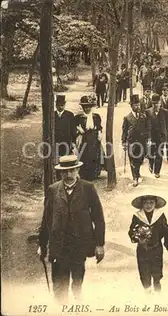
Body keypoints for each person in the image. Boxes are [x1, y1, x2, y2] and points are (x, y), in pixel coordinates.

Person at [37, 155, 105, 303]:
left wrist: (100, 244)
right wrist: (42, 245)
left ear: (77, 170)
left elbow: (98, 218)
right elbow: (46, 220)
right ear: (60, 173)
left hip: (79, 245)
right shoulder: (53, 190)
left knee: (77, 282)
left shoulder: (88, 188)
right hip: (59, 245)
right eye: (64, 172)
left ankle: (77, 307)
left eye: (71, 171)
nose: (68, 175)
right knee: (59, 287)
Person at [128, 194, 168, 294]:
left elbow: (166, 232)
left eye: (151, 203)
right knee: (144, 273)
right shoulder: (137, 216)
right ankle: (148, 295)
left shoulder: (160, 216)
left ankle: (158, 294)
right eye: (145, 203)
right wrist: (136, 237)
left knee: (157, 274)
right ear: (142, 204)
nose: (148, 205)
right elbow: (131, 231)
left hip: (156, 249)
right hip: (142, 250)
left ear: (155, 204)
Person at [122, 94, 151, 187]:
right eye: (135, 105)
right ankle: (135, 177)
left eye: (138, 105)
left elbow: (147, 128)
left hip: (142, 142)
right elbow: (124, 131)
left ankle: (137, 173)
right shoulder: (127, 118)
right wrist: (124, 142)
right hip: (132, 142)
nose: (137, 107)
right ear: (131, 106)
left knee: (140, 159)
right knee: (133, 160)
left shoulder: (143, 116)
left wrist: (148, 139)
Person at [74, 95, 105, 181]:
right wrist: (78, 130)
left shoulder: (96, 117)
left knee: (95, 155)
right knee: (84, 155)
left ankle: (94, 173)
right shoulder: (78, 117)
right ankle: (84, 173)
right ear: (82, 107)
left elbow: (99, 127)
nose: (87, 109)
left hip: (94, 138)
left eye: (89, 107)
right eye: (85, 107)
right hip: (84, 138)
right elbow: (74, 127)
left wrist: (99, 132)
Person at [145, 94, 168, 178]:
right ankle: (151, 164)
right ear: (151, 103)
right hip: (151, 136)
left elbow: (167, 125)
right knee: (151, 152)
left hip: (161, 136)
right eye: (154, 103)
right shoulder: (148, 112)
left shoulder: (164, 112)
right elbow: (146, 126)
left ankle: (157, 171)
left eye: (157, 103)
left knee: (159, 153)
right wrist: (148, 138)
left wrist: (166, 136)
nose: (155, 105)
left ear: (160, 103)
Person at [54, 95, 76, 177]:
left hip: (66, 141)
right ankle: (58, 176)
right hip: (55, 142)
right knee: (57, 160)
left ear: (64, 105)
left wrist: (73, 142)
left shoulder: (69, 115)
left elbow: (73, 130)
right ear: (56, 105)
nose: (60, 107)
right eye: (58, 105)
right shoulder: (53, 115)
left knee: (66, 159)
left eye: (62, 105)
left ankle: (66, 176)